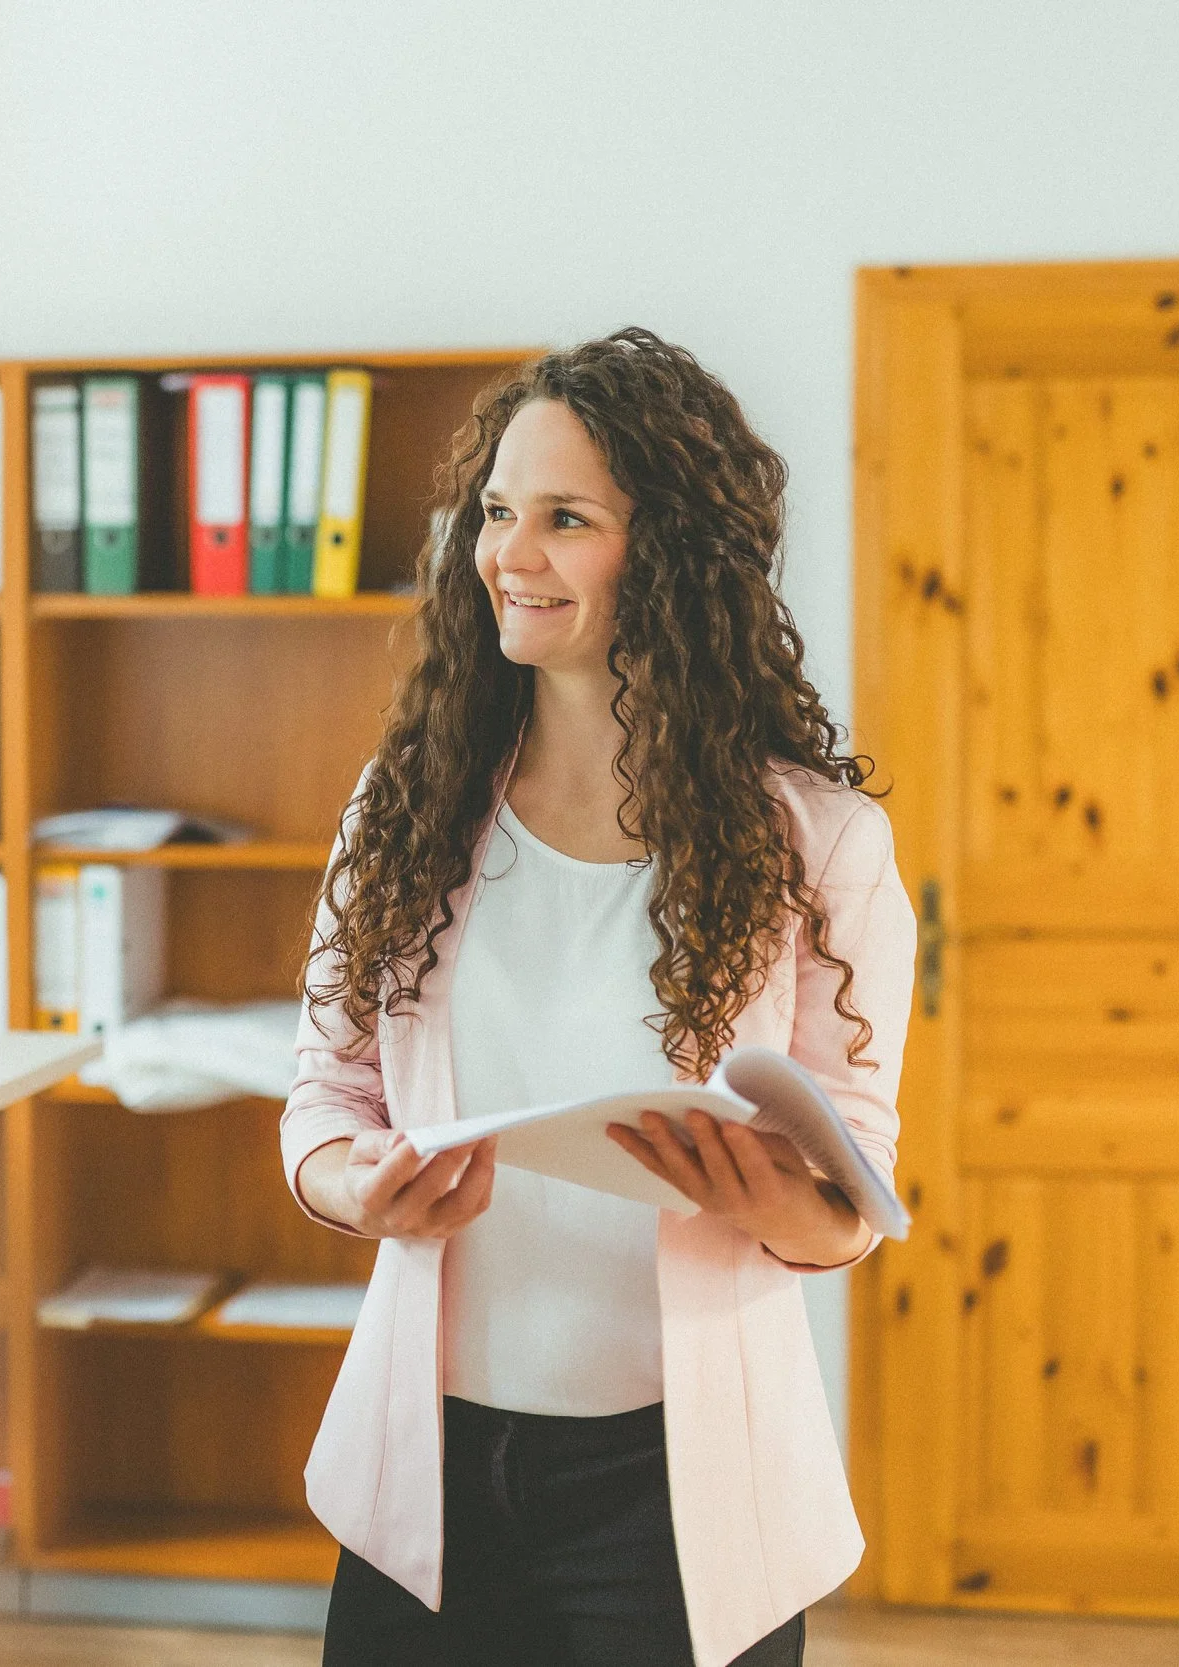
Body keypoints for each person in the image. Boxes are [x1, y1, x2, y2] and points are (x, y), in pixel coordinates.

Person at [283, 328, 916, 1667]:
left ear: (672, 553)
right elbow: (327, 1093)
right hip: (433, 1470)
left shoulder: (819, 844)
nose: (511, 552)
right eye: (499, 512)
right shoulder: (406, 810)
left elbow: (855, 1186)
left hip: (679, 1491)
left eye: (566, 518)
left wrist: (761, 1197)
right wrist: (357, 1185)